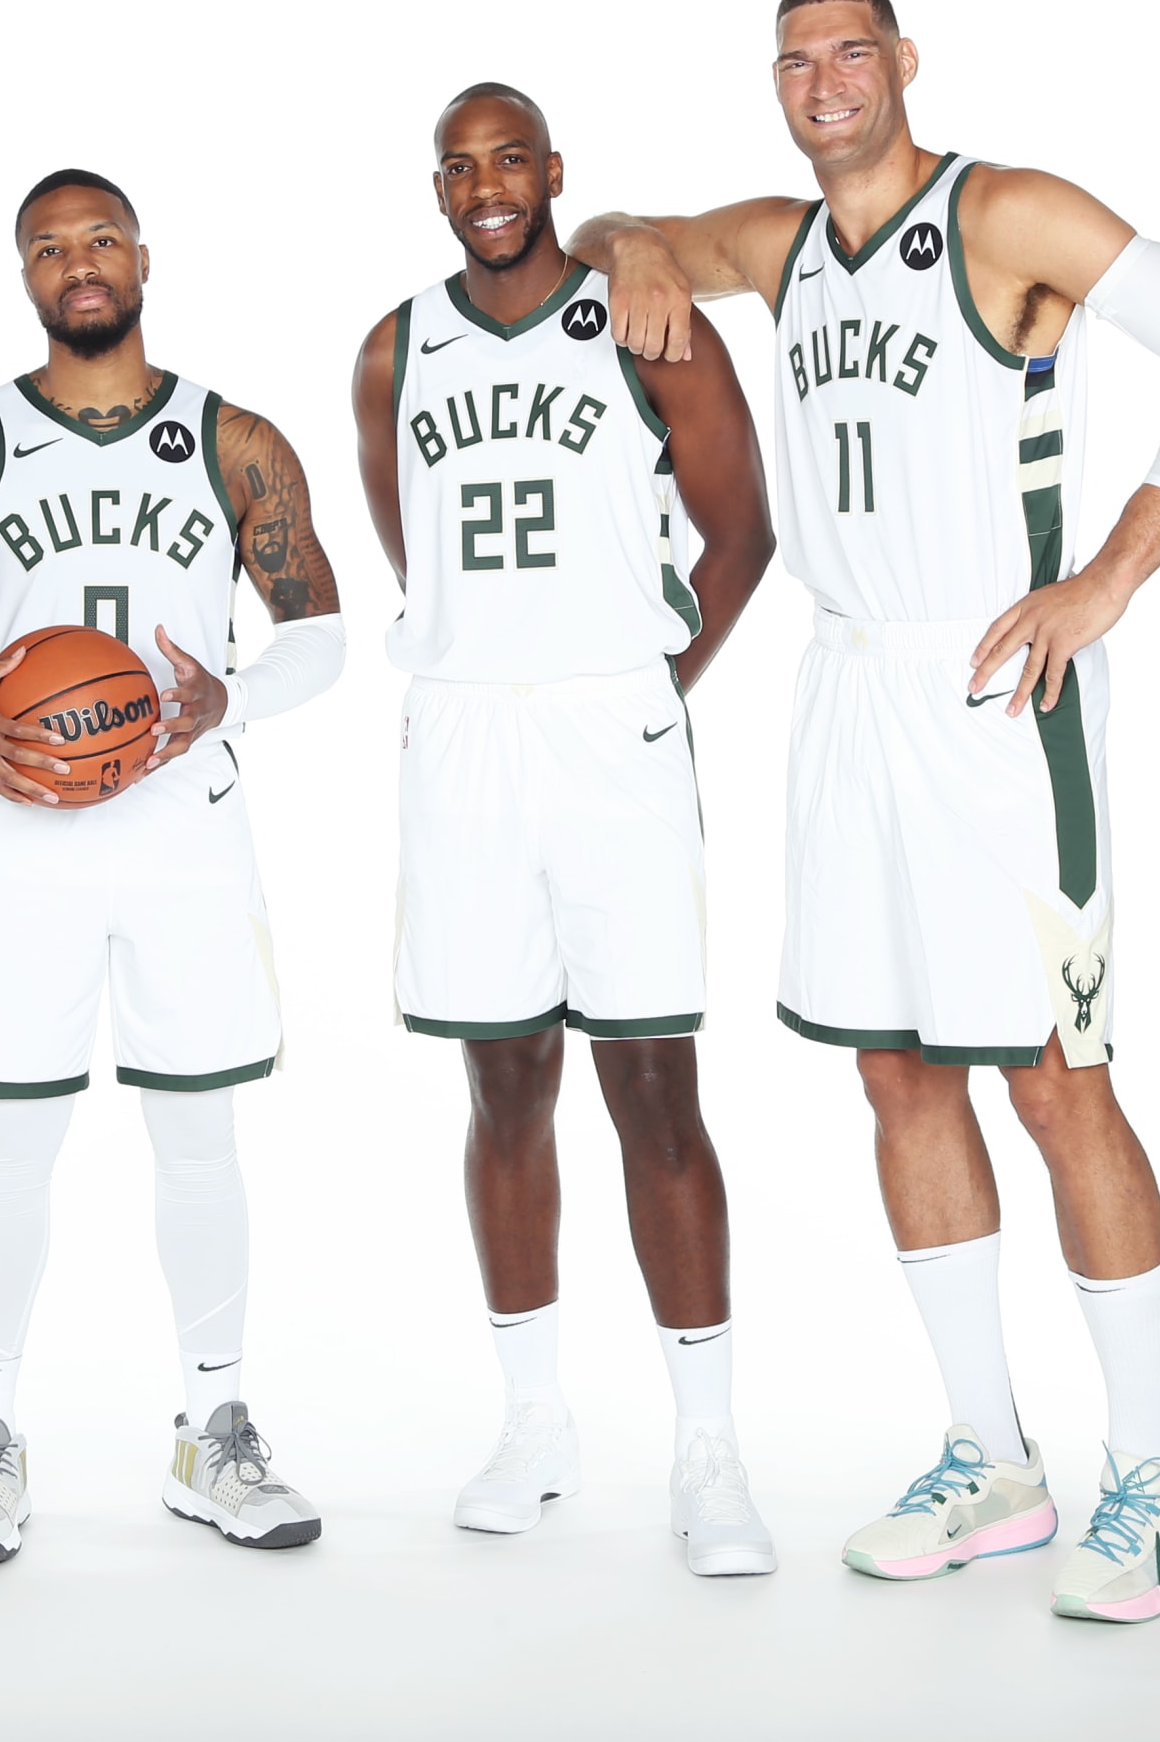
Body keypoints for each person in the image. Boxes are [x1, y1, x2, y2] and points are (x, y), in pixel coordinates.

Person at [573, 0, 1160, 1621]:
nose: (823, 82)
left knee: (1056, 1082)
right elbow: (613, 233)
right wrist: (634, 240)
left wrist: (1109, 579)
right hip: (848, 688)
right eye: (794, 61)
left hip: (1000, 693)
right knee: (896, 1073)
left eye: (850, 52)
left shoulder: (1004, 213)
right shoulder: (783, 244)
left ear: (904, 62)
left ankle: (1150, 1478)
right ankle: (991, 1458)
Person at [0, 168, 345, 1562]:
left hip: (188, 824)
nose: (78, 264)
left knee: (198, 1133)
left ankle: (214, 1429)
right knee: (13, 1137)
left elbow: (320, 630)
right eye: (48, 248)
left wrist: (229, 699)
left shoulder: (232, 440)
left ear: (141, 257)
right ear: (25, 275)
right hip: (26, 827)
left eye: (100, 241)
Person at [351, 85, 778, 1574]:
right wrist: (494, 647)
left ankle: (709, 1447)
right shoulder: (393, 348)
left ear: (552, 172)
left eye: (511, 159)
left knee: (654, 1088)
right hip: (467, 733)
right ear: (439, 187)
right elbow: (411, 544)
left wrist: (651, 679)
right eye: (459, 165)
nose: (488, 186)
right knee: (504, 1085)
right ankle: (534, 1421)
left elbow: (742, 529)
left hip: (614, 732)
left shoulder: (641, 319)